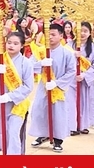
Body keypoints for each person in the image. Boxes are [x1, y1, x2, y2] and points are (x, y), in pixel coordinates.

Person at [0, 32, 34, 155]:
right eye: (9, 42)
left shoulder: (26, 63)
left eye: (15, 43)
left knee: (13, 131)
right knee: (5, 130)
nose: (11, 46)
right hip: (1, 104)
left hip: (18, 104)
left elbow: (28, 86)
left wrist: (10, 96)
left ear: (21, 46)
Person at [29, 23, 77, 152]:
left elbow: (71, 71)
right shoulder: (41, 51)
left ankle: (57, 140)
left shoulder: (67, 53)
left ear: (61, 36)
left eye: (53, 34)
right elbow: (29, 65)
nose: (50, 37)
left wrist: (57, 83)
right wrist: (41, 63)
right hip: (43, 86)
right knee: (39, 109)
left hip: (59, 89)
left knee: (58, 113)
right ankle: (43, 134)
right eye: (48, 34)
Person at [68, 22, 94, 135]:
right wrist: (72, 55)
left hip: (85, 80)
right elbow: (63, 60)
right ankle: (72, 125)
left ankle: (83, 125)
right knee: (71, 102)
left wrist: (84, 75)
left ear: (89, 33)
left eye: (85, 31)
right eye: (80, 30)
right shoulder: (68, 45)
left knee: (85, 102)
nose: (82, 33)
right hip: (71, 79)